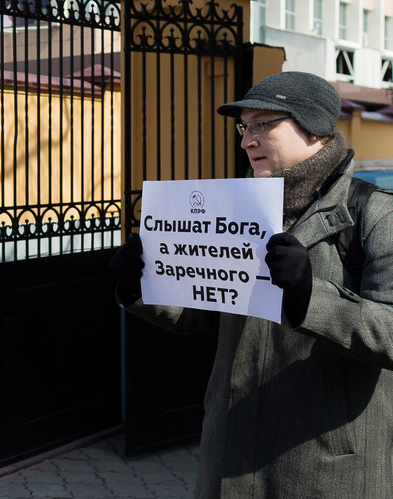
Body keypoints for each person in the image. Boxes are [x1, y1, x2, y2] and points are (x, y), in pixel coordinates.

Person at [110, 71, 393, 497]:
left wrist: (308, 299)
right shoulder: (237, 209)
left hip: (327, 467)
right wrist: (142, 288)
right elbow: (202, 312)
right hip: (231, 457)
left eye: (263, 123)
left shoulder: (376, 215)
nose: (246, 140)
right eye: (244, 127)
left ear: (314, 127)